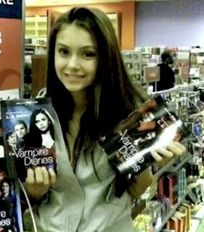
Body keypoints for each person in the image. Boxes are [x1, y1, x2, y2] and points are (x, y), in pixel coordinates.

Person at [23, 7, 186, 232]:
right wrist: (34, 191)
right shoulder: (38, 112)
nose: (72, 65)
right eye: (63, 52)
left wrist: (147, 161)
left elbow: (133, 193)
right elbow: (26, 196)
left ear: (105, 57)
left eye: (88, 54)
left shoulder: (131, 114)